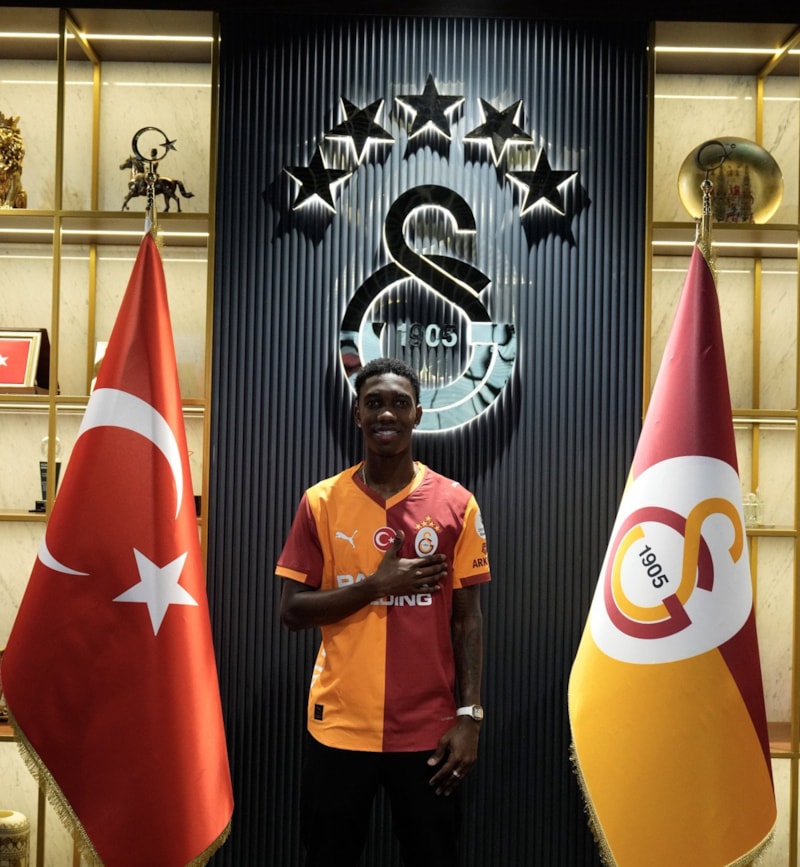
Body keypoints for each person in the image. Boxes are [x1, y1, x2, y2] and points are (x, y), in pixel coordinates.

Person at [276, 356, 491, 867]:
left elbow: (467, 619)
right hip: (339, 726)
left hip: (429, 733)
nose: (386, 414)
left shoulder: (457, 504)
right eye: (374, 403)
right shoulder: (321, 502)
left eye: (399, 403)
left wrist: (470, 717)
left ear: (418, 414)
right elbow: (292, 612)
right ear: (358, 414)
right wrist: (377, 586)